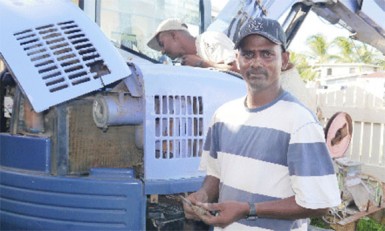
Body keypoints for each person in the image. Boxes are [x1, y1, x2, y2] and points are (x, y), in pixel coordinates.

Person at [182, 17, 341, 230]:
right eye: (248, 54)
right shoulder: (222, 116)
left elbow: (320, 203)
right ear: (237, 59)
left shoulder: (300, 122)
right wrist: (202, 196)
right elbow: (215, 174)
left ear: (284, 60)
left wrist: (249, 209)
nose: (256, 62)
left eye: (267, 54)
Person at [147, 18, 239, 72]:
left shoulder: (209, 40)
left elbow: (239, 70)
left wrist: (201, 64)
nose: (162, 52)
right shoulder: (183, 63)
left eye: (162, 44)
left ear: (173, 35)